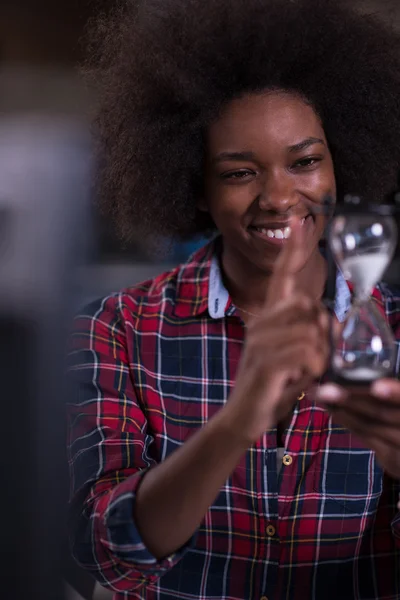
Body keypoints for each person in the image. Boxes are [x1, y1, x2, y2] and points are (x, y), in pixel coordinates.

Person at [67, 0, 400, 598]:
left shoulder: (393, 335)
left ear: (339, 165)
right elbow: (102, 548)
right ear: (195, 188)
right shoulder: (118, 328)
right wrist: (238, 420)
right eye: (240, 172)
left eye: (304, 162)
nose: (279, 197)